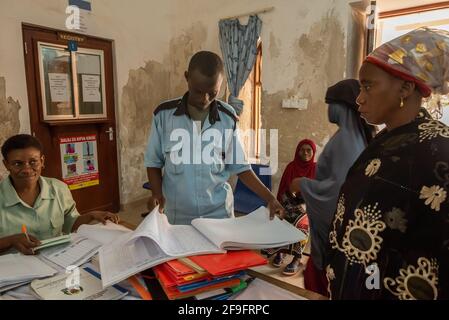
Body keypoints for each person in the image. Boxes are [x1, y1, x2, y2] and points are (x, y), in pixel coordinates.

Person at [326, 27, 449, 299]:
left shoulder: (438, 150)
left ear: (405, 87)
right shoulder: (386, 142)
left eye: (368, 85)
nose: (359, 97)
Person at [144, 51, 285, 225]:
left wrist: (270, 198)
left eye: (213, 93)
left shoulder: (227, 117)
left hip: (218, 215)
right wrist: (157, 195)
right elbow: (153, 162)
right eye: (198, 91)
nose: (205, 99)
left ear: (221, 84)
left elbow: (240, 166)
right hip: (176, 216)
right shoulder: (164, 116)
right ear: (187, 77)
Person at [289, 79, 375, 296]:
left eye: (330, 104)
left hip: (333, 238)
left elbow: (338, 191)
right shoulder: (351, 135)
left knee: (320, 287)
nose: (328, 109)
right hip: (335, 235)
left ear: (342, 107)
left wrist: (304, 185)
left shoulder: (346, 141)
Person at [0, 134, 119, 255]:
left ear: (42, 161)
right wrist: (10, 241)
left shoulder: (58, 188)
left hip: (56, 259)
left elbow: (70, 225)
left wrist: (91, 215)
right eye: (17, 164)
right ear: (6, 165)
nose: (26, 169)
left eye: (33, 162)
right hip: (15, 267)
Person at [264, 139, 317, 275]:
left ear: (313, 152)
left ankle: (296, 258)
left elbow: (318, 194)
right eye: (302, 150)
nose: (305, 153)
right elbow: (283, 190)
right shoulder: (291, 167)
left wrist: (305, 205)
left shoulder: (316, 169)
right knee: (281, 220)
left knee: (301, 224)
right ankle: (280, 252)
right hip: (289, 203)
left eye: (308, 150)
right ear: (297, 151)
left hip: (308, 207)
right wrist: (282, 206)